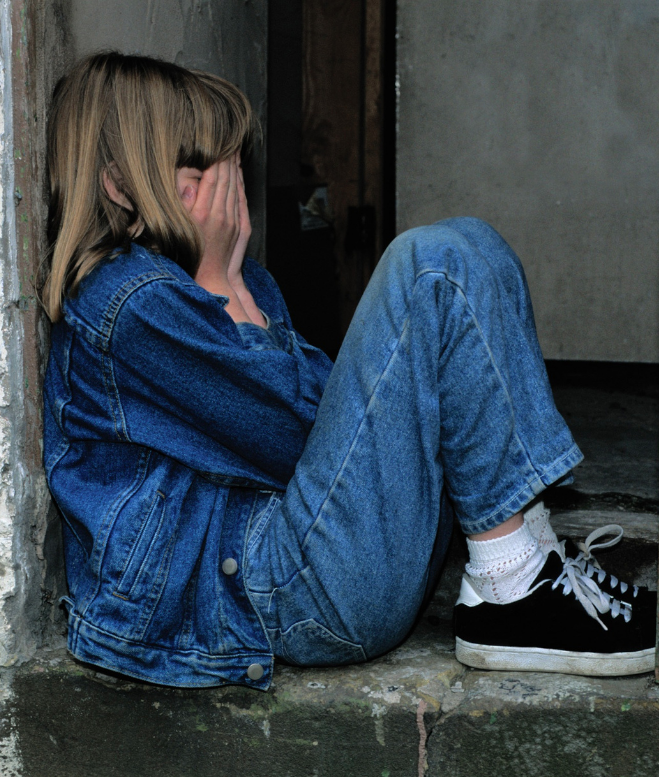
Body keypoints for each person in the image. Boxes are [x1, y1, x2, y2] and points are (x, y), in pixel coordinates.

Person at [41, 52, 655, 689]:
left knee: (471, 243)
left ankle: (523, 560)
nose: (229, 196)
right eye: (200, 172)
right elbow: (301, 437)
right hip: (272, 592)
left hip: (306, 558)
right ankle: (512, 590)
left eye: (230, 169)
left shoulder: (221, 281)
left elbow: (329, 423)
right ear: (119, 186)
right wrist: (225, 288)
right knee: (431, 266)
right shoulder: (131, 303)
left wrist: (237, 290)